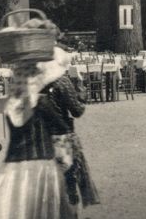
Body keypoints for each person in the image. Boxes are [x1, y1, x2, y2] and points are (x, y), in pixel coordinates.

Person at [0, 25, 80, 219]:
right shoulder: (42, 103)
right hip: (41, 164)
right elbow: (61, 128)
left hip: (14, 168)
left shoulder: (11, 105)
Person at [41, 48, 99, 209]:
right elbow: (77, 110)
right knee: (69, 182)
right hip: (62, 137)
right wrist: (82, 95)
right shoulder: (62, 82)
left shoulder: (36, 82)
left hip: (41, 140)